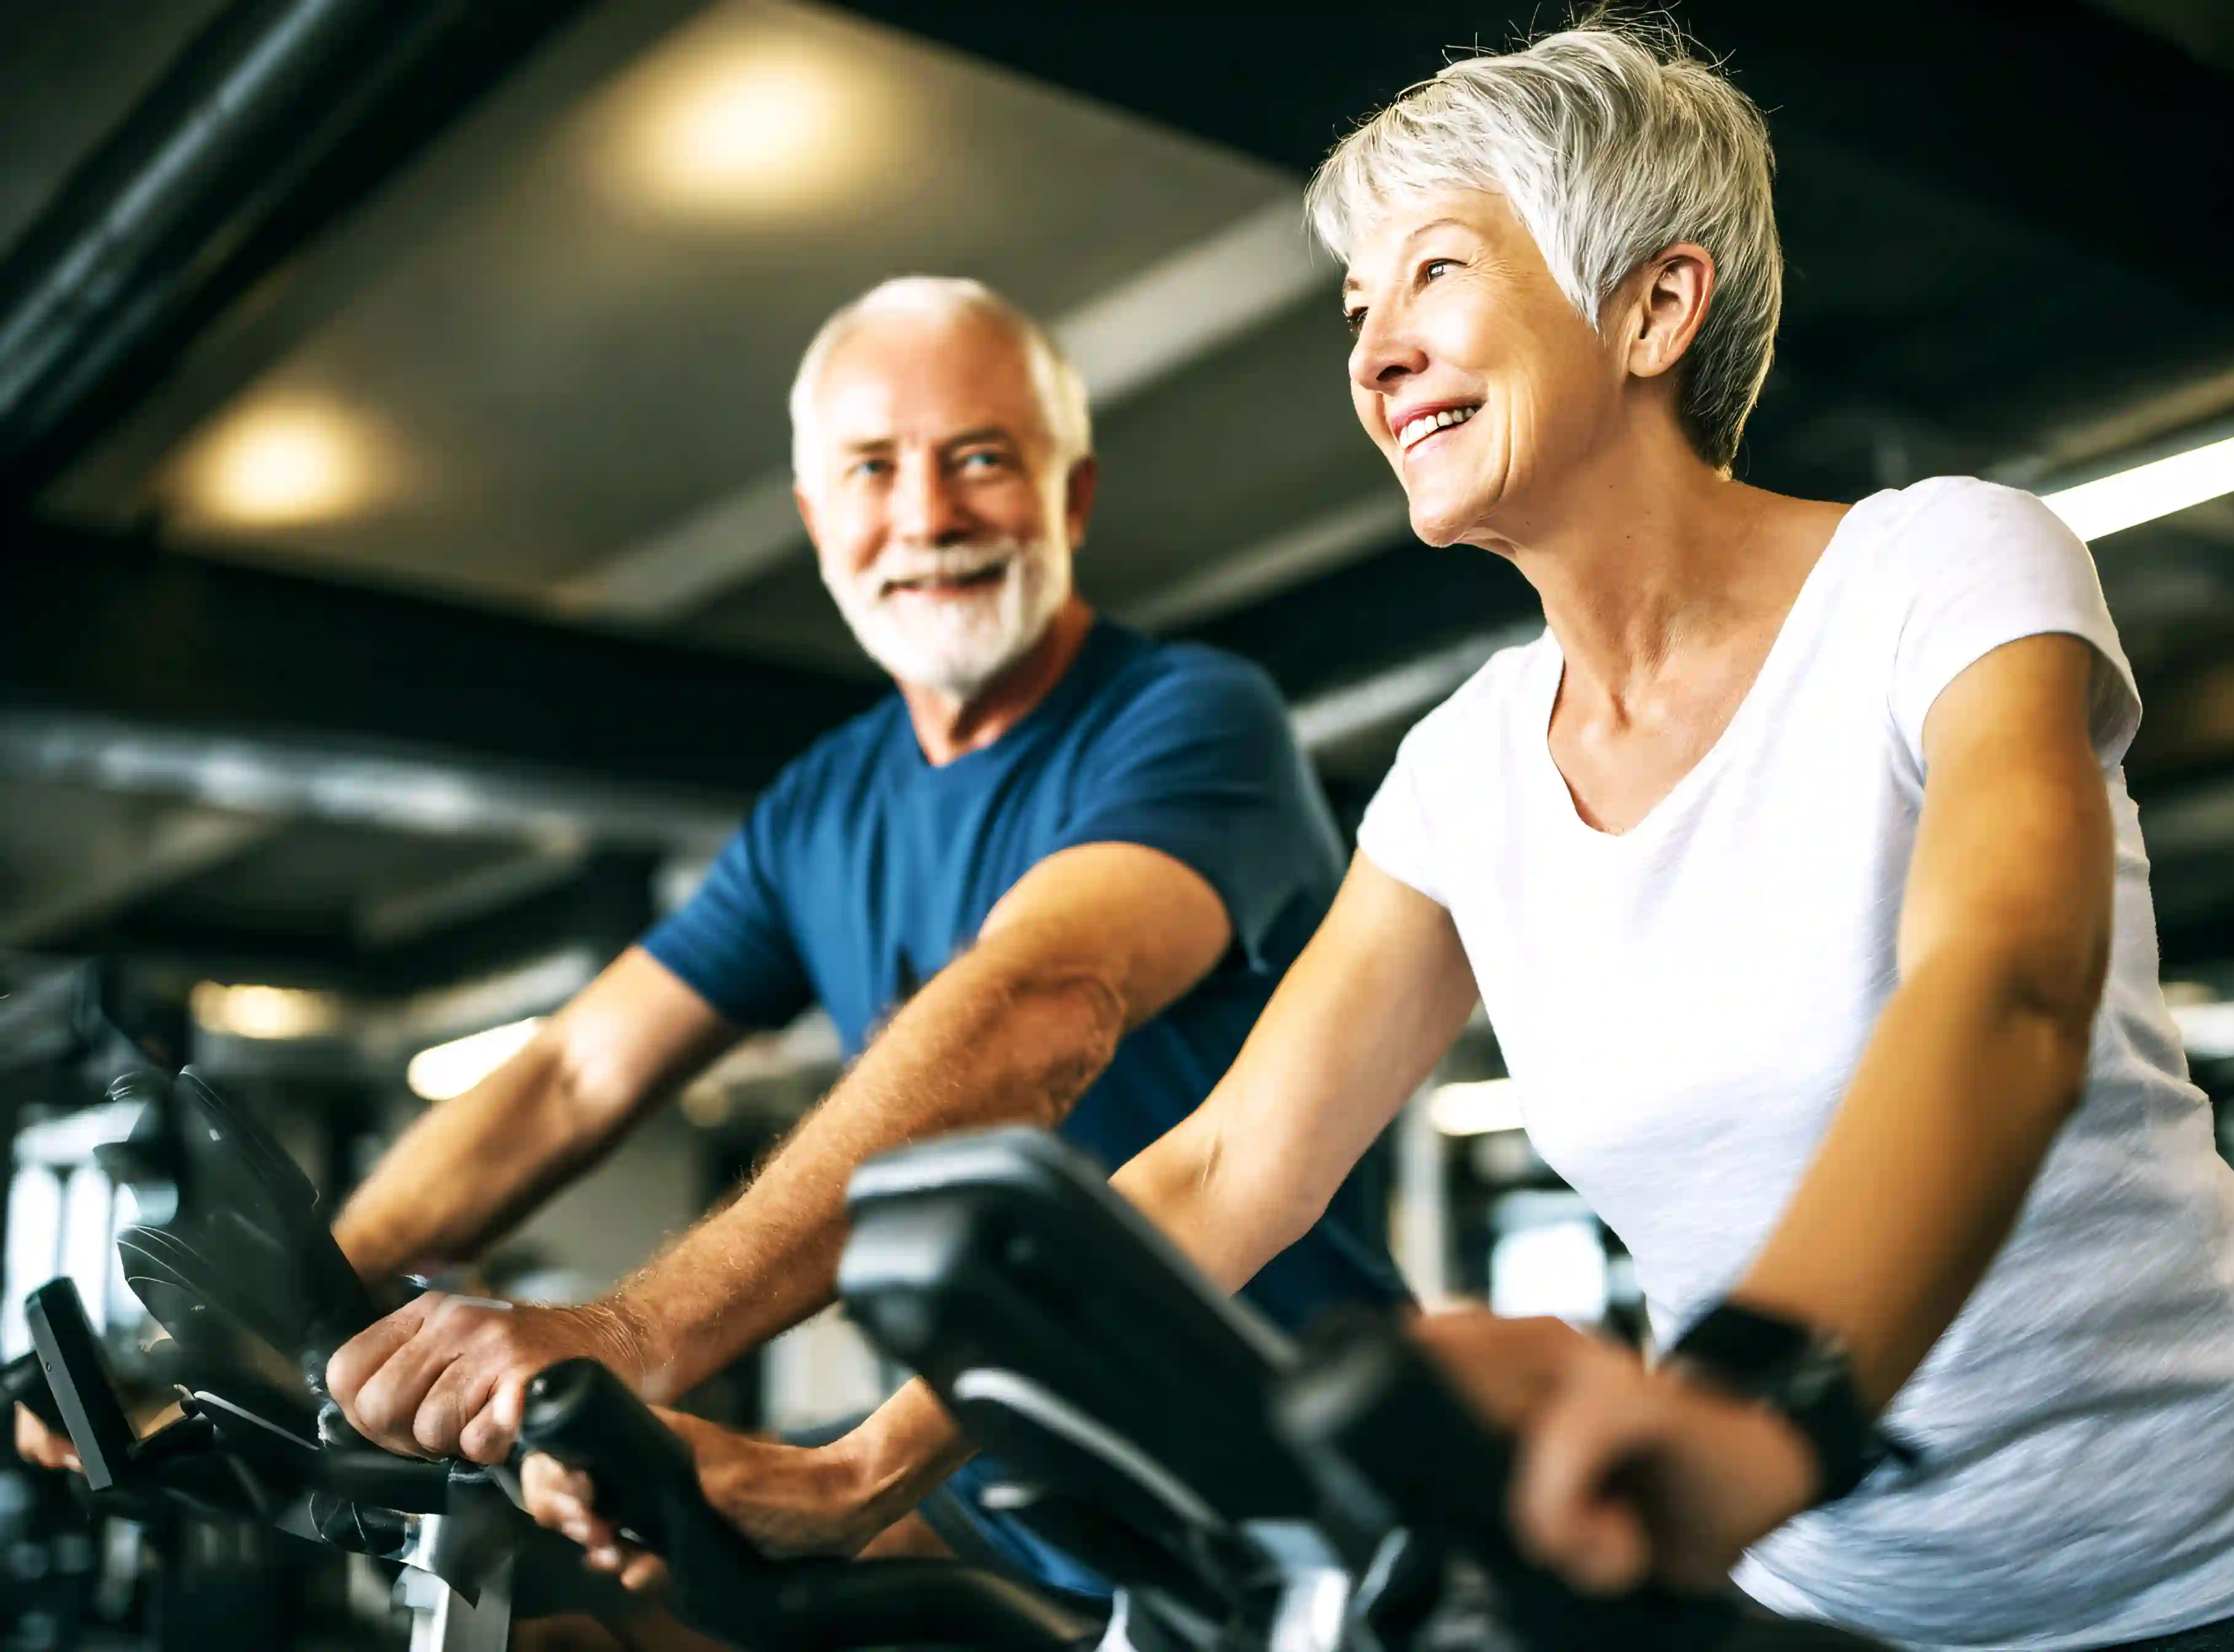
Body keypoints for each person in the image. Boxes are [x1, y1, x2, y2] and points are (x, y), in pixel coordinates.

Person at [527, 18, 2234, 1651]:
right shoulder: (1461, 770)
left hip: (2216, 1576)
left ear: (1656, 306)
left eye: (1433, 273)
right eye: (1358, 309)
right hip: (1813, 1600)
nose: (1372, 354)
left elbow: (2006, 985)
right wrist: (863, 1469)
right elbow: (1224, 1172)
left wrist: (1756, 1410)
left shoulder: (1942, 567)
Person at [18, 276, 1405, 1594]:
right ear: (815, 513)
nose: (926, 515)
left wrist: (628, 1332)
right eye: (872, 468)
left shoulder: (1186, 717)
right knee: (584, 1614)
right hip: (1003, 1474)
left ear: (1073, 493)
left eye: (981, 458)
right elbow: (575, 1077)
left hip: (1285, 1474)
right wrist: (267, 1334)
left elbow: (1042, 1005)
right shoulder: (825, 805)